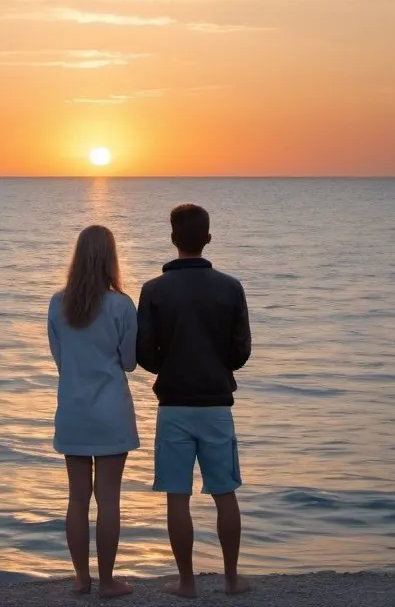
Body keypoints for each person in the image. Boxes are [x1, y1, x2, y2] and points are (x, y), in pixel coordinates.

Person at [136, 204, 252, 598]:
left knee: (177, 496)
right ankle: (232, 579)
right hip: (217, 405)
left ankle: (186, 582)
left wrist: (170, 361)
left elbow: (144, 356)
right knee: (225, 493)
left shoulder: (153, 290)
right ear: (207, 239)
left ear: (172, 239)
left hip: (174, 406)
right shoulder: (231, 287)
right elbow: (241, 353)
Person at [48, 224, 139, 598]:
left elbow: (60, 358)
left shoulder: (58, 302)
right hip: (110, 411)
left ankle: (81, 580)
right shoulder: (121, 304)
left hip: (73, 410)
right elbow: (131, 363)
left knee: (77, 498)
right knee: (109, 499)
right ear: (110, 258)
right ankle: (107, 581)